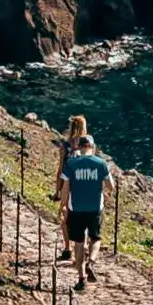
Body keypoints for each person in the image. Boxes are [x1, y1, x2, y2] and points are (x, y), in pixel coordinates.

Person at [57, 115, 112, 269]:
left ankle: (69, 249)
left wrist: (58, 191)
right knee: (92, 228)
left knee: (68, 220)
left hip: (70, 187)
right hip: (91, 197)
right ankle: (86, 256)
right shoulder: (89, 144)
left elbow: (60, 170)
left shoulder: (66, 146)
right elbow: (110, 186)